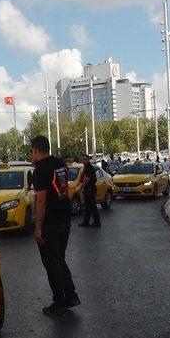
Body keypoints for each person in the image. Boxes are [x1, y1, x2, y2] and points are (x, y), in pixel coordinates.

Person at [30, 135, 79, 317]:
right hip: (65, 219)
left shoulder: (40, 171)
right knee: (60, 259)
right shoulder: (60, 164)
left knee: (52, 263)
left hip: (50, 223)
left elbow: (41, 200)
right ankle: (71, 296)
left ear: (35, 150)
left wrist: (38, 228)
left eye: (31, 152)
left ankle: (59, 302)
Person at [77, 154, 101, 228]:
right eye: (82, 159)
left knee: (93, 206)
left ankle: (97, 222)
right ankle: (86, 222)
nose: (83, 160)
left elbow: (88, 179)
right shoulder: (86, 167)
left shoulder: (89, 168)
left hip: (90, 189)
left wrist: (81, 187)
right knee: (87, 207)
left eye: (85, 159)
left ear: (88, 160)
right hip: (88, 189)